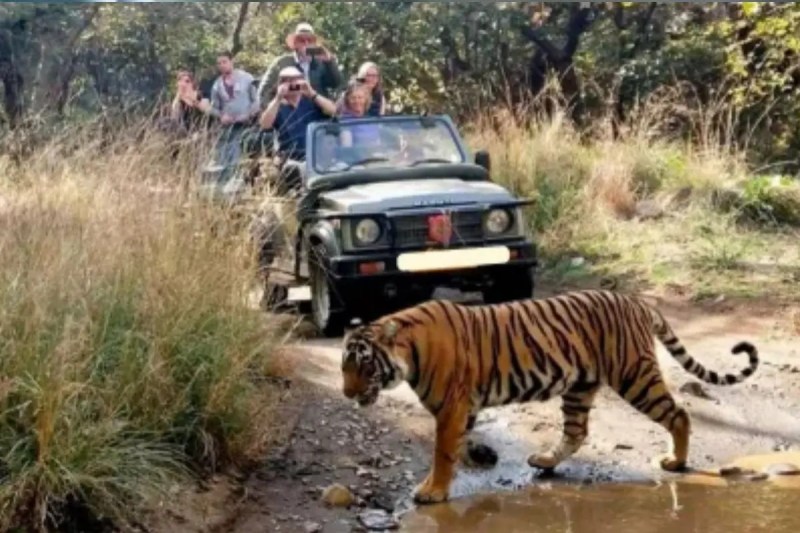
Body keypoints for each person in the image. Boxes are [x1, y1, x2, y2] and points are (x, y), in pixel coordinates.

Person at [259, 66, 337, 193]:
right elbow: (265, 125)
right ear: (281, 83)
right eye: (288, 80)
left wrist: (312, 93)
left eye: (297, 79)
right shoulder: (277, 106)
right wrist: (278, 98)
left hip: (317, 158)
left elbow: (334, 111)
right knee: (295, 171)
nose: (293, 83)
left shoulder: (312, 102)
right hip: (291, 160)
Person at [257, 23, 344, 104]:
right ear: (295, 44)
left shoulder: (321, 63)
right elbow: (264, 92)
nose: (306, 43)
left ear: (315, 44)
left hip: (317, 111)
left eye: (310, 40)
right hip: (290, 112)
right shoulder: (281, 63)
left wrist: (329, 62)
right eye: (301, 40)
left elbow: (336, 83)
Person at [207, 51, 260, 176]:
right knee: (226, 156)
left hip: (248, 125)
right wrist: (221, 116)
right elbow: (214, 108)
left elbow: (257, 100)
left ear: (232, 61)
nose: (222, 65)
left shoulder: (247, 78)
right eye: (219, 63)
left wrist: (248, 114)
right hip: (228, 128)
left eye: (224, 62)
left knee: (245, 156)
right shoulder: (217, 85)